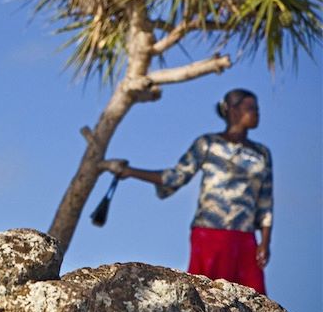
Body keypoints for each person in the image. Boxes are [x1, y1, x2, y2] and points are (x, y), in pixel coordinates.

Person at [102, 89, 273, 294]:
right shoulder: (208, 144)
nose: (257, 113)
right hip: (209, 233)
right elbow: (176, 177)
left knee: (253, 300)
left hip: (245, 236)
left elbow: (265, 202)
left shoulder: (262, 153)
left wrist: (265, 241)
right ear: (233, 111)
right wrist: (130, 172)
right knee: (207, 295)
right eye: (250, 108)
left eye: (257, 108)